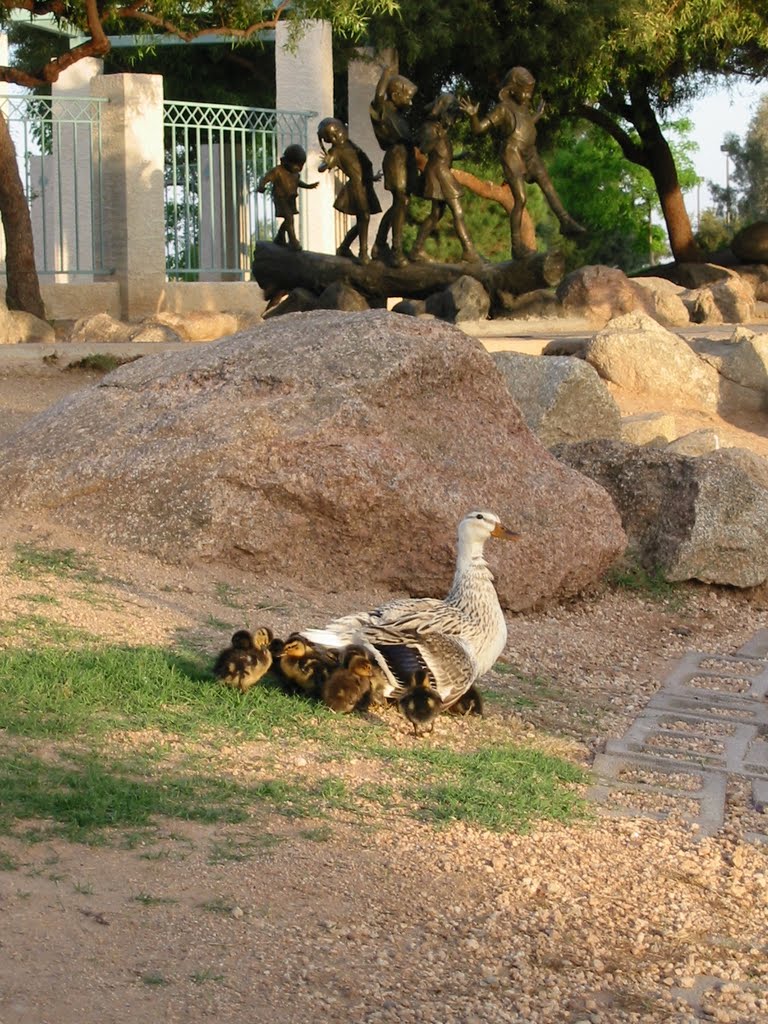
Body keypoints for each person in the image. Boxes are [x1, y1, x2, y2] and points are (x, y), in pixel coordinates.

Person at [460, 67, 586, 258]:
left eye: (530, 92)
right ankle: (516, 244)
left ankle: (565, 221)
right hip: (512, 153)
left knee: (548, 185)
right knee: (521, 199)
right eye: (525, 91)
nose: (528, 95)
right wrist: (473, 116)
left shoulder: (524, 107)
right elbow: (479, 130)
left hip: (530, 152)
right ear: (511, 89)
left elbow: (525, 125)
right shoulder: (502, 109)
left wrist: (537, 115)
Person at [410, 92, 479, 264]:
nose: (454, 119)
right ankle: (469, 251)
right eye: (452, 114)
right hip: (438, 173)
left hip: (441, 170)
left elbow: (442, 155)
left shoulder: (440, 129)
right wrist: (436, 137)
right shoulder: (431, 128)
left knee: (436, 214)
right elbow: (424, 148)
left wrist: (458, 156)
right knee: (458, 211)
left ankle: (416, 249)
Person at [369, 64, 420, 267]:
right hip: (395, 158)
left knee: (402, 202)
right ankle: (395, 249)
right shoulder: (383, 110)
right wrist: (385, 75)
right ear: (395, 94)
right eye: (407, 96)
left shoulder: (400, 118)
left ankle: (380, 244)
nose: (410, 101)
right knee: (400, 198)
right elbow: (378, 97)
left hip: (405, 157)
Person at [317, 117, 382, 265]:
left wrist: (372, 177)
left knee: (363, 219)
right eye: (330, 137)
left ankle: (345, 247)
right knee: (364, 216)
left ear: (343, 129)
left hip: (365, 184)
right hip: (356, 187)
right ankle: (363, 253)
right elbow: (322, 167)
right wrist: (325, 163)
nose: (334, 138)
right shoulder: (336, 151)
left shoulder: (351, 145)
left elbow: (359, 166)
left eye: (337, 133)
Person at [257, 143, 318, 251]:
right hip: (280, 198)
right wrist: (261, 186)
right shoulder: (278, 171)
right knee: (289, 217)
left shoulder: (295, 174)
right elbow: (265, 178)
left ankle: (280, 237)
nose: (299, 168)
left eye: (301, 166)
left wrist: (308, 186)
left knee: (289, 219)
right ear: (286, 161)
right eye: (297, 165)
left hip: (290, 199)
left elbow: (297, 182)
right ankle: (293, 241)